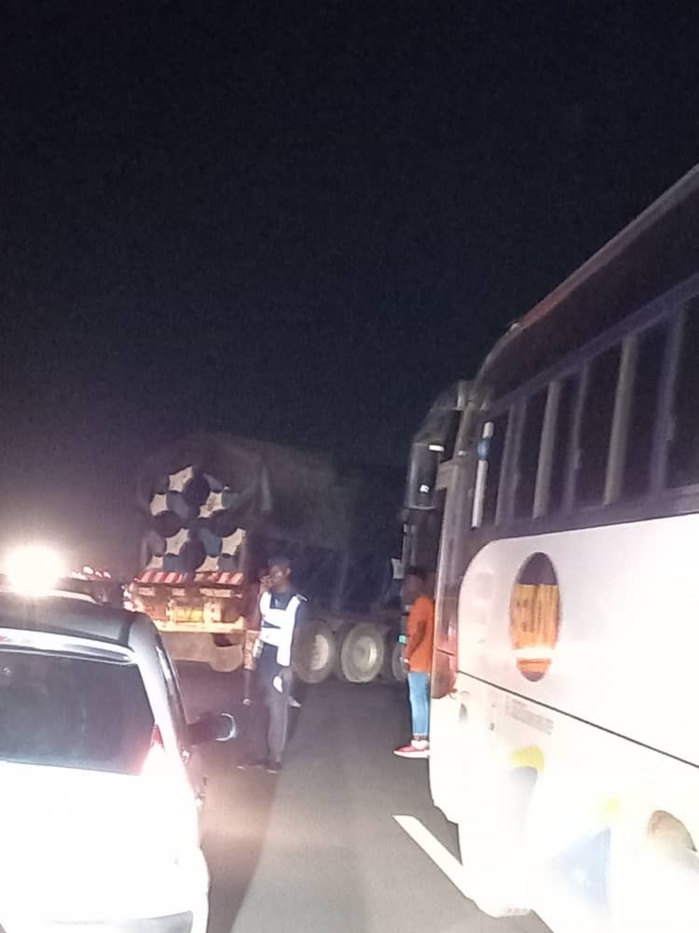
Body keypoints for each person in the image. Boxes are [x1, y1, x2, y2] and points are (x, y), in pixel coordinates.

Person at [238, 555, 306, 774]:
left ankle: (274, 757)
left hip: (280, 660)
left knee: (278, 710)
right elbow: (255, 623)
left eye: (277, 572)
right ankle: (254, 754)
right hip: (262, 655)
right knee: (256, 708)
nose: (273, 576)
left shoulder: (297, 602)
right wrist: (260, 595)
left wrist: (289, 667)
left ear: (287, 572)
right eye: (271, 572)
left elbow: (297, 637)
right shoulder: (267, 596)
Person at [394, 566, 435, 759]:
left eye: (410, 582)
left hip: (418, 660)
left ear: (419, 583)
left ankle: (420, 741)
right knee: (422, 700)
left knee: (417, 700)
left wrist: (407, 655)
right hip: (425, 660)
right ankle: (423, 739)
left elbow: (417, 632)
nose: (408, 586)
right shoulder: (428, 603)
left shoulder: (421, 604)